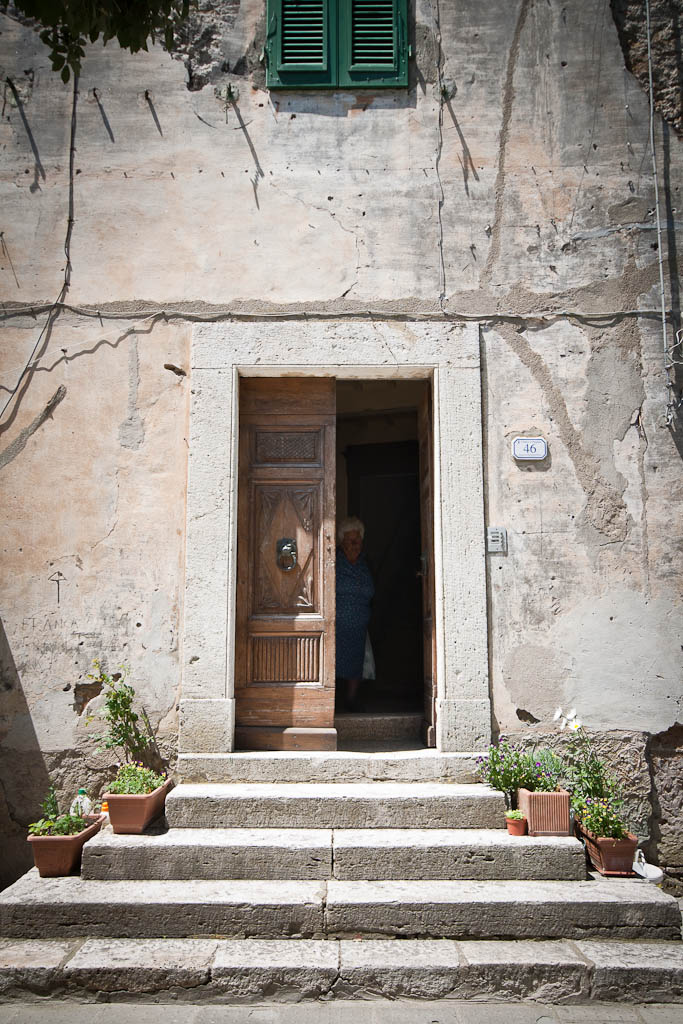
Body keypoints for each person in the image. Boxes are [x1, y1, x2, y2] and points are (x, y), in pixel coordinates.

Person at [335, 516, 374, 711]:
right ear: (342, 542)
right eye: (351, 541)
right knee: (335, 660)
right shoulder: (334, 562)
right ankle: (330, 700)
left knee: (356, 663)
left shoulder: (365, 563)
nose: (355, 545)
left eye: (358, 540)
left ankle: (351, 699)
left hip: (359, 624)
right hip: (337, 625)